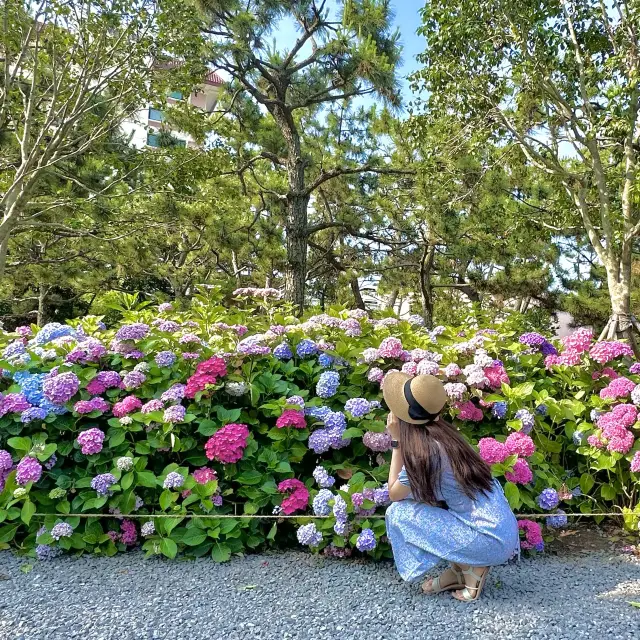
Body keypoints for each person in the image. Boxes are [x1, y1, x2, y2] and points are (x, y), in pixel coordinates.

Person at [383, 372, 519, 602]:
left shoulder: (425, 452)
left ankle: (473, 568)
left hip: (488, 540)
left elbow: (394, 493)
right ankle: (458, 570)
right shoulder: (448, 437)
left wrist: (396, 442)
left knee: (398, 513)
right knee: (438, 504)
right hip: (501, 531)